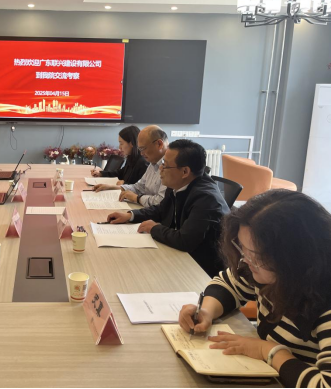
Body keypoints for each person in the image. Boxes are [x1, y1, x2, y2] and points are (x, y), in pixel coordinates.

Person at [179, 190, 331, 388]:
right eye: (243, 248)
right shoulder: (267, 274)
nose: (246, 260)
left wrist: (269, 351)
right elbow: (228, 284)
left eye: (256, 256)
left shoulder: (324, 303)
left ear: (295, 258)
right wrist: (206, 311)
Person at [106, 139, 229, 277]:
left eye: (165, 165)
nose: (160, 168)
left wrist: (154, 228)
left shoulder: (206, 199)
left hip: (201, 270)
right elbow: (161, 210)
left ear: (185, 171)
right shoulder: (177, 183)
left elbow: (185, 240)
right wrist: (131, 215)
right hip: (181, 256)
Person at [93, 126, 168, 208]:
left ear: (159, 144)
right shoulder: (153, 163)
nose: (141, 153)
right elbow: (139, 187)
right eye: (140, 149)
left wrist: (137, 198)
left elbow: (161, 202)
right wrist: (111, 187)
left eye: (143, 148)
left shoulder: (170, 166)